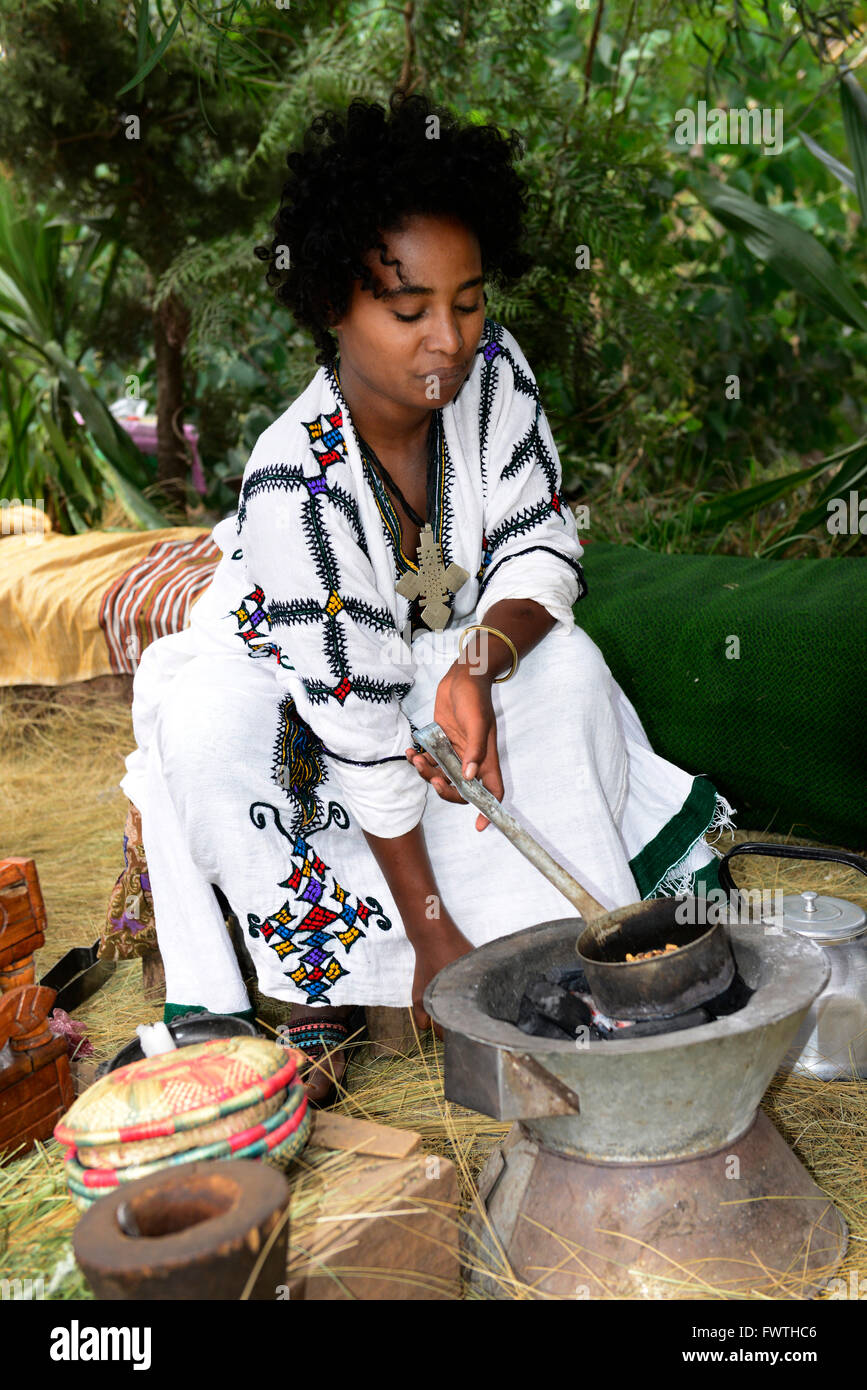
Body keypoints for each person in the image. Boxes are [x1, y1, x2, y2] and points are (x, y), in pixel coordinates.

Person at [118, 93, 734, 1102]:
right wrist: (434, 931)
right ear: (332, 305)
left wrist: (482, 666)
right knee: (214, 730)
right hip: (294, 669)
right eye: (408, 312)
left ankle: (564, 938)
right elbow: (357, 719)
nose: (448, 339)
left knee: (567, 668)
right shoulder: (295, 483)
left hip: (441, 646)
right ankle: (322, 982)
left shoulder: (491, 374)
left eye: (467, 300)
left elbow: (540, 543)